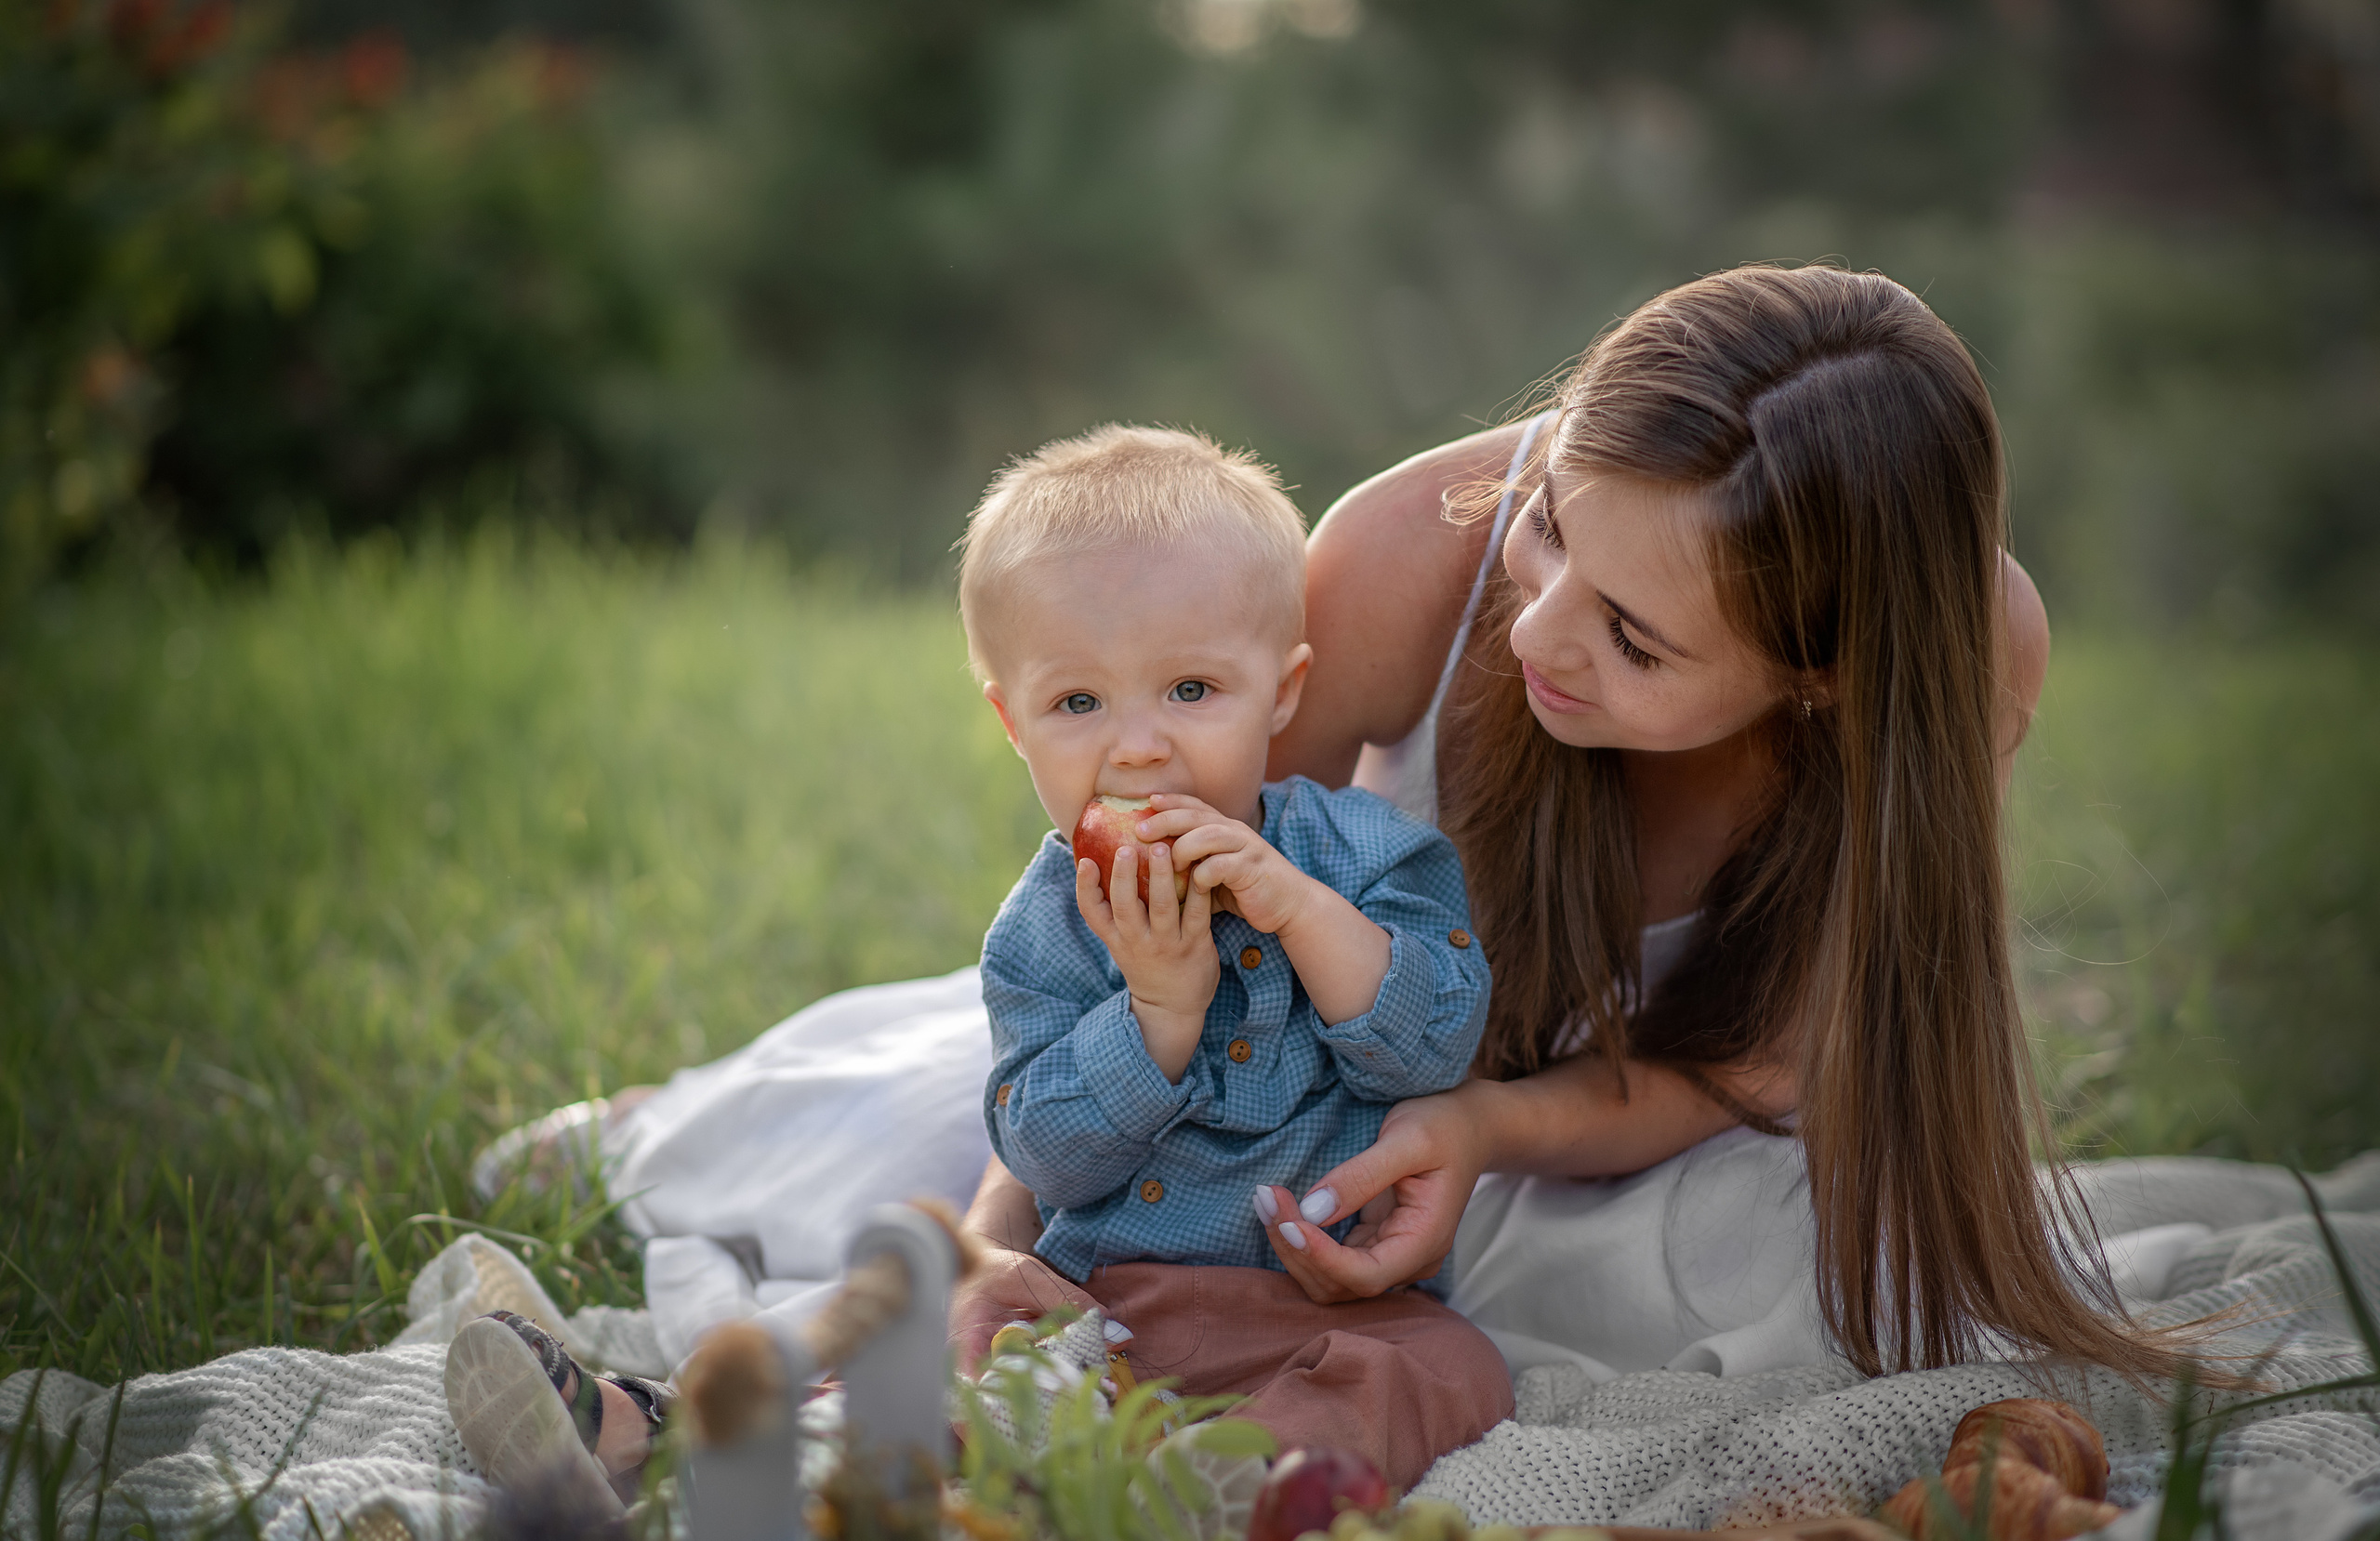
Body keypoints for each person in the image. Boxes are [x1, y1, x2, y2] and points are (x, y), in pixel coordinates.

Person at [954, 261, 2189, 1388]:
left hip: (1660, 1128)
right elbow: (1129, 963)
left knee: (1788, 1287)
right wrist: (993, 1237)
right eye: (1546, 525)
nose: (1538, 632)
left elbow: (1770, 1063)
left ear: (1822, 680)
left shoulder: (1965, 655)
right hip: (1280, 1112)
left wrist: (1485, 1125)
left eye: (1634, 639)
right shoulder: (1406, 547)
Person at [958, 425, 1511, 1484]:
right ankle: (920, 1454)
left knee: (1454, 1367)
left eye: (1190, 690)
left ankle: (1235, 1476)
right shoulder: (1046, 923)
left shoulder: (1366, 852)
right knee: (988, 1335)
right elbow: (1045, 1157)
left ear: (1284, 691)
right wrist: (1158, 1012)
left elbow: (1434, 1048)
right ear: (1012, 723)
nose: (1136, 746)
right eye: (1077, 703)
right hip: (1106, 1301)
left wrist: (1299, 910)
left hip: (1328, 1304)